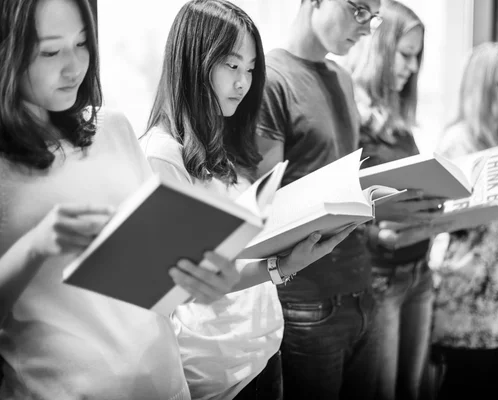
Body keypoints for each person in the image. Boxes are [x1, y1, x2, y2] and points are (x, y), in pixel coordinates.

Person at [0, 0, 242, 398]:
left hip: (164, 383)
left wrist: (205, 279)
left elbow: (159, 269)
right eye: (50, 51)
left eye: (82, 44)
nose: (74, 67)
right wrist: (35, 247)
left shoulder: (111, 128)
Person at [139, 1, 356, 399]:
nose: (244, 82)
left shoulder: (219, 140)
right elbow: (189, 284)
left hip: (262, 350)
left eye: (251, 68)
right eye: (232, 66)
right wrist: (282, 266)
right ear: (192, 62)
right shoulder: (161, 155)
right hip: (216, 369)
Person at [254, 0, 389, 398]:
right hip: (307, 301)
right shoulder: (270, 79)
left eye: (373, 17)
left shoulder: (342, 78)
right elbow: (265, 209)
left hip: (362, 284)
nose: (366, 28)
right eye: (359, 10)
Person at [429, 43, 498, 400]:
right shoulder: (459, 141)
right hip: (470, 299)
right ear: (482, 85)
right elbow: (444, 220)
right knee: (467, 388)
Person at [343, 2, 437, 399]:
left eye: (416, 58)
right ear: (380, 49)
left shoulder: (398, 120)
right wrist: (375, 232)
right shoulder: (351, 115)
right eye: (406, 55)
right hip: (380, 277)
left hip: (419, 270)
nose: (412, 68)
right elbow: (340, 206)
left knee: (410, 391)